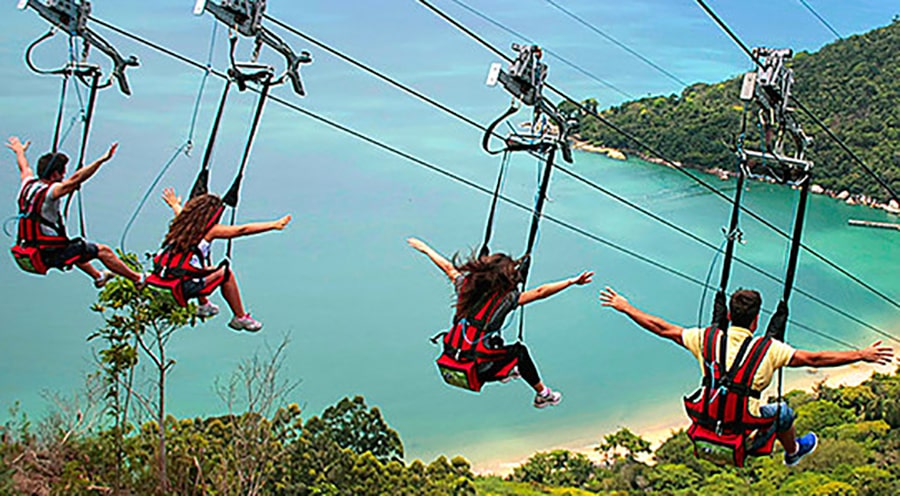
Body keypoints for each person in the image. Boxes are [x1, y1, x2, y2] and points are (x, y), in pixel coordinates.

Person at [599, 286, 894, 466]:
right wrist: (860, 355)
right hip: (747, 428)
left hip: (708, 419)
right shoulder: (769, 350)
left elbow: (661, 328)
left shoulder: (706, 339)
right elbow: (815, 358)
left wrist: (626, 308)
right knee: (784, 412)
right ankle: (792, 452)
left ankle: (789, 450)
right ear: (756, 320)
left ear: (728, 316)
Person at [408, 237, 593, 408]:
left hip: (452, 358)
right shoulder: (505, 300)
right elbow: (540, 292)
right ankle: (543, 394)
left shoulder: (465, 286)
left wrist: (425, 249)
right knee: (519, 352)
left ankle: (507, 371)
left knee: (494, 344)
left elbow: (448, 268)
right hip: (479, 369)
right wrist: (571, 281)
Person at [7, 136, 145, 288]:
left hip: (29, 248)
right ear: (54, 175)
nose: (63, 177)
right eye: (62, 173)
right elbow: (77, 179)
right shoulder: (50, 192)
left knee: (76, 247)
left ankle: (99, 276)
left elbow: (24, 167)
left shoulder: (27, 185)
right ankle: (138, 279)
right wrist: (101, 160)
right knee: (103, 251)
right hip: (48, 253)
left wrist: (19, 151)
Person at [151, 188, 291, 332]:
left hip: (165, 279)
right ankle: (240, 317)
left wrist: (174, 204)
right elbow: (241, 230)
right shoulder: (211, 231)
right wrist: (273, 225)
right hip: (184, 286)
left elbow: (179, 212)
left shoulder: (182, 225)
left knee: (204, 266)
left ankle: (204, 305)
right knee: (226, 273)